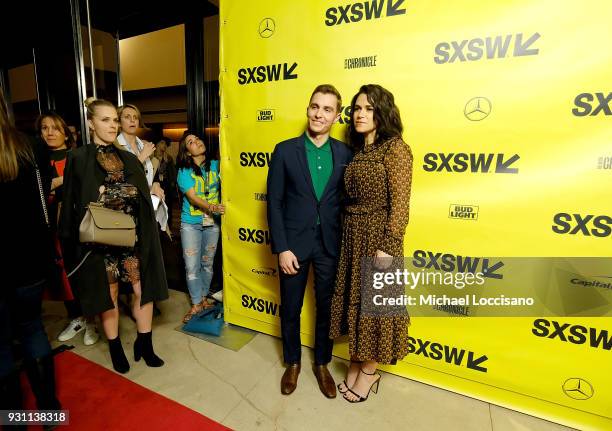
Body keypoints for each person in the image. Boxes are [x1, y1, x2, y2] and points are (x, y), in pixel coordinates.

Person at [59, 98, 169, 374]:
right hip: (99, 242)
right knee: (109, 292)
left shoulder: (128, 157)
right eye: (105, 120)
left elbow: (139, 193)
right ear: (91, 123)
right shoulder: (78, 158)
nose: (113, 125)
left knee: (143, 289)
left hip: (133, 236)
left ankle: (145, 343)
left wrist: (127, 193)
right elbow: (73, 201)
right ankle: (115, 346)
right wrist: (68, 244)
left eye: (115, 120)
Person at [266, 84, 353, 398]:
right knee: (291, 306)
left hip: (330, 244)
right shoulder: (285, 150)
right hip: (294, 245)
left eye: (327, 109)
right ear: (308, 108)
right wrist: (282, 247)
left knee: (327, 308)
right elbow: (274, 203)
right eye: (315, 106)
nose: (319, 113)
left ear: (336, 116)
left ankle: (321, 364)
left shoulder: (345, 153)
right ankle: (292, 363)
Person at [329, 84, 413, 403]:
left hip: (379, 238)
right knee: (359, 306)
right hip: (353, 236)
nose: (360, 114)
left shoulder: (396, 149)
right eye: (357, 109)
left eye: (368, 108)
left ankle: (369, 373)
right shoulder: (360, 151)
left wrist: (388, 247)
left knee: (376, 309)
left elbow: (401, 206)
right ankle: (356, 362)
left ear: (383, 113)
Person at [0, 87, 61, 411]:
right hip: (30, 260)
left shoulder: (28, 145)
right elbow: (42, 204)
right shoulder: (31, 146)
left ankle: (13, 420)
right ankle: (50, 410)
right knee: (33, 329)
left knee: (1, 346)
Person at [35, 111, 99, 346]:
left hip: (77, 225)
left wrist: (55, 183)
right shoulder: (35, 160)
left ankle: (92, 321)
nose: (50, 132)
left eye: (55, 127)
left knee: (84, 273)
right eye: (44, 128)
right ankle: (77, 317)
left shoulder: (77, 156)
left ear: (65, 132)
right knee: (64, 276)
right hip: (50, 227)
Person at [176, 131, 224, 323]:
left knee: (207, 263)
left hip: (212, 224)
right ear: (187, 152)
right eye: (191, 142)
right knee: (192, 266)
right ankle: (196, 303)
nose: (197, 142)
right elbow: (193, 197)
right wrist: (213, 207)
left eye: (197, 139)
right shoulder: (183, 170)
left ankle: (203, 298)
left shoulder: (216, 165)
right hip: (191, 224)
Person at [116, 104, 164, 200]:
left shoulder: (145, 145)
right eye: (127, 117)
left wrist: (156, 184)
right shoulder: (115, 148)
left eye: (135, 117)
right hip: (129, 204)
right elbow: (119, 181)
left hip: (149, 201)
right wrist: (141, 157)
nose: (132, 120)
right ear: (119, 123)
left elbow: (152, 173)